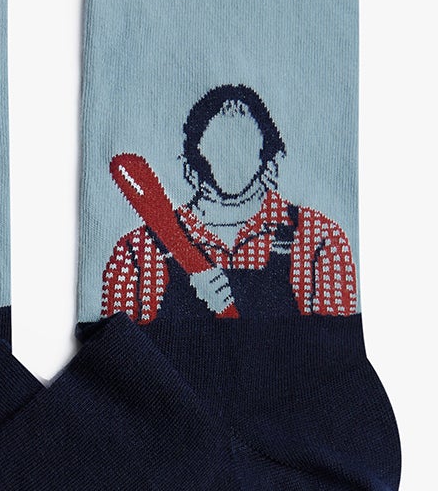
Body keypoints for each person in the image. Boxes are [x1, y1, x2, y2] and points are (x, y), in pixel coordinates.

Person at [102, 84, 357, 321]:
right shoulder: (138, 253)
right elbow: (112, 346)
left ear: (271, 157)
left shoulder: (319, 241)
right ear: (190, 164)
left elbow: (334, 347)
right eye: (220, 145)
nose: (231, 156)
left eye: (242, 143)